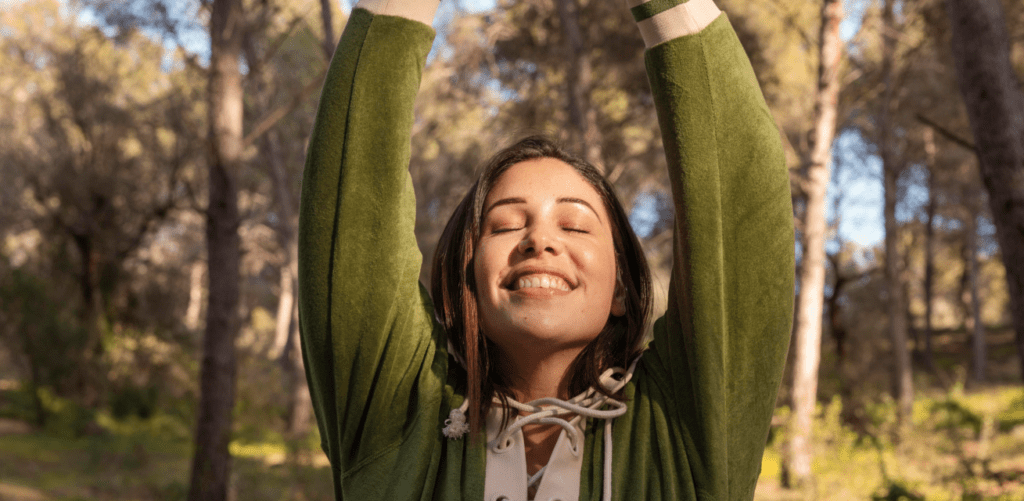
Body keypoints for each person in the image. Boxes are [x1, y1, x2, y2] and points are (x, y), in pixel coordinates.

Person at [297, 0, 794, 499]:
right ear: (467, 280)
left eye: (575, 225)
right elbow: (353, 206)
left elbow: (741, 204)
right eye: (506, 224)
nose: (540, 239)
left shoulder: (683, 429)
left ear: (621, 287)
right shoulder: (402, 417)